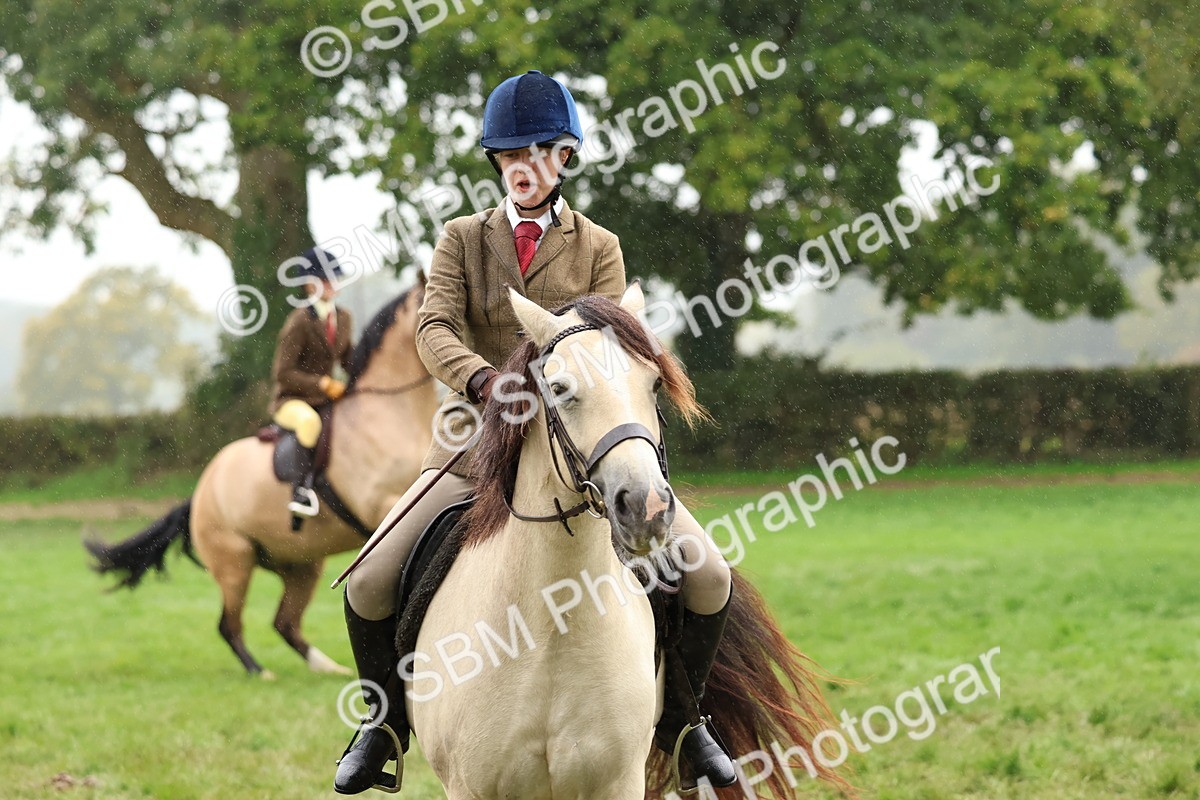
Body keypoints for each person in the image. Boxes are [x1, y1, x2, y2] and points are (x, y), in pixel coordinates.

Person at [334, 70, 736, 794]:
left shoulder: (600, 247)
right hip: (471, 443)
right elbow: (434, 325)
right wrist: (486, 383)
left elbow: (612, 344)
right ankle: (383, 723)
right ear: (497, 163)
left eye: (542, 152)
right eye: (512, 154)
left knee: (709, 576)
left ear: (566, 159)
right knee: (366, 578)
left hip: (578, 443)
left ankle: (683, 722)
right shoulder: (461, 239)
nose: (525, 166)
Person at [269, 248, 351, 519]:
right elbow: (283, 372)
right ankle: (301, 491)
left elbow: (350, 359)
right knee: (309, 423)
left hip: (327, 398)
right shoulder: (300, 321)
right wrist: (323, 384)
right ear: (310, 284)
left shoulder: (344, 318)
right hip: (292, 401)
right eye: (327, 279)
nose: (333, 284)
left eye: (334, 278)